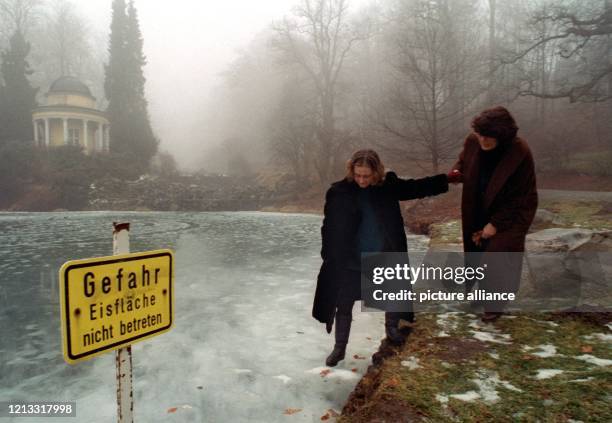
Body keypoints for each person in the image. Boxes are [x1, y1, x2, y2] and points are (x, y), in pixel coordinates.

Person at [312, 149, 459, 366]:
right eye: (358, 175)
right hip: (351, 259)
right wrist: (328, 254)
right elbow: (328, 226)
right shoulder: (339, 192)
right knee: (343, 304)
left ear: (376, 172)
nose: (362, 180)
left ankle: (392, 332)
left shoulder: (387, 187)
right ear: (352, 171)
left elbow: (416, 187)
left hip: (383, 252)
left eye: (367, 176)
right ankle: (339, 348)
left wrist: (446, 179)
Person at [451, 106, 538, 321]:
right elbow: (463, 164)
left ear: (502, 136)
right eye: (480, 134)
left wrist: (496, 224)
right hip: (479, 204)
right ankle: (480, 294)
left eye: (487, 136)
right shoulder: (473, 141)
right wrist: (451, 176)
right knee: (477, 250)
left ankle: (495, 306)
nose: (482, 139)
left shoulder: (520, 152)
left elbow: (519, 197)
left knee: (497, 255)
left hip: (514, 211)